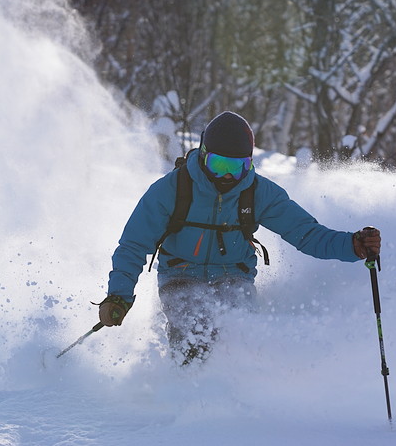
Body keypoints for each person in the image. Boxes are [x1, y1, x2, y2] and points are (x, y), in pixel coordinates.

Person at [98, 111, 381, 364]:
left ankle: (242, 397)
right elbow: (134, 245)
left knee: (236, 333)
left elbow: (306, 234)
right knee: (193, 331)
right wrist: (119, 295)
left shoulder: (257, 192)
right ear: (203, 154)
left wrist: (352, 244)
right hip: (180, 276)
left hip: (234, 277)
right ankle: (183, 396)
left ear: (249, 164)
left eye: (236, 168)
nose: (227, 177)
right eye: (219, 165)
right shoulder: (171, 190)